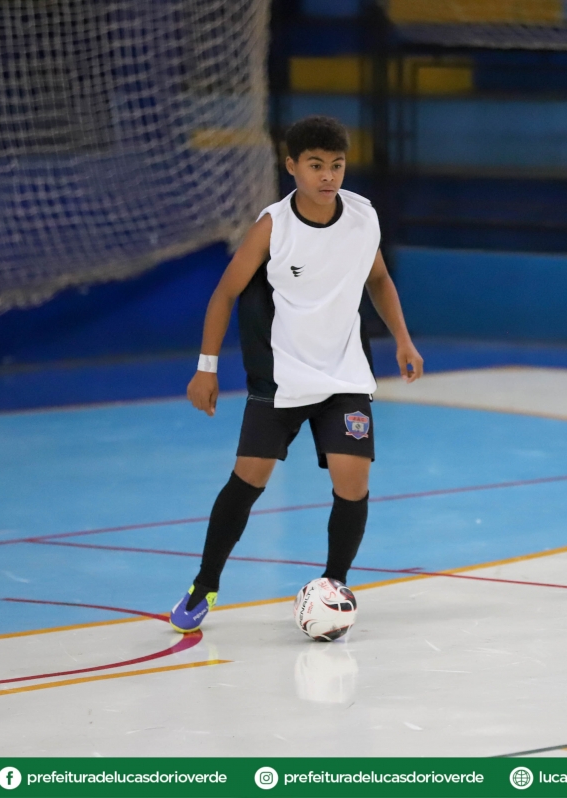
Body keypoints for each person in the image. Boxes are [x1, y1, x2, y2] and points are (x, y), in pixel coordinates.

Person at [168, 115, 423, 633]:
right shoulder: (273, 227)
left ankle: (333, 587)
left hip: (344, 375)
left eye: (337, 165)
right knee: (249, 478)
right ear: (292, 167)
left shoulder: (362, 216)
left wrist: (403, 338)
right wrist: (205, 368)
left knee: (353, 479)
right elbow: (224, 293)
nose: (328, 176)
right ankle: (204, 583)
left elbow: (378, 278)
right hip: (280, 378)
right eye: (315, 165)